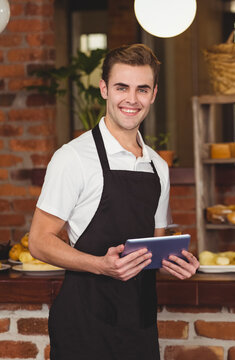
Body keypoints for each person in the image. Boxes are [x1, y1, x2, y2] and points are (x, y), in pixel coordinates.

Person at [28, 43, 199, 359]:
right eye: (122, 87)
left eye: (142, 89)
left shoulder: (158, 167)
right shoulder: (73, 158)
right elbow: (38, 242)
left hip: (139, 325)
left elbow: (151, 249)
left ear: (154, 93)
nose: (132, 99)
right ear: (104, 89)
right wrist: (100, 266)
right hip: (84, 326)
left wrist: (175, 262)